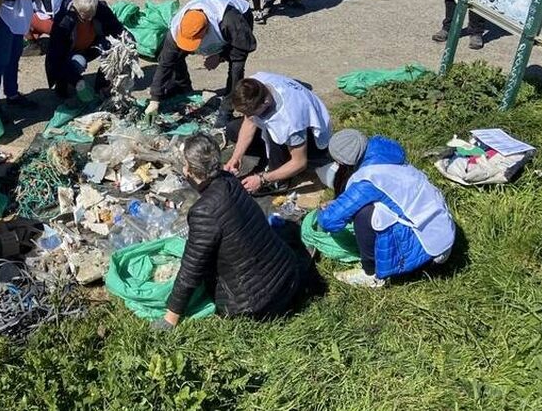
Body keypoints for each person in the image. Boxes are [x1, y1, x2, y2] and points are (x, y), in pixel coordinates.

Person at [158, 133, 304, 329]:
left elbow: (191, 270)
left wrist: (171, 317)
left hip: (256, 304)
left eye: (185, 164)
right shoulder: (229, 180)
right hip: (287, 273)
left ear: (191, 170)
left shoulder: (204, 211)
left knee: (204, 269)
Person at [317, 130, 456, 289]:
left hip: (429, 251)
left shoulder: (368, 179)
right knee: (370, 206)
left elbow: (330, 221)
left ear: (342, 163)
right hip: (443, 236)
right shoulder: (389, 159)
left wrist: (324, 211)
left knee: (364, 213)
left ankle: (371, 274)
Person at [146, 0, 256, 128]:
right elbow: (165, 63)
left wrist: (221, 56)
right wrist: (154, 99)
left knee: (236, 69)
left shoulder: (230, 21)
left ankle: (226, 111)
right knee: (175, 57)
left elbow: (240, 52)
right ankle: (183, 89)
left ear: (206, 29)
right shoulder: (177, 27)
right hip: (208, 8)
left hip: (240, 15)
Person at [223, 73, 333, 194]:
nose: (248, 116)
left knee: (275, 135)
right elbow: (249, 121)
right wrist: (236, 157)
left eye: (251, 112)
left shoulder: (289, 121)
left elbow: (300, 162)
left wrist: (262, 179)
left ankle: (280, 182)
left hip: (313, 141)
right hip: (284, 124)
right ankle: (271, 158)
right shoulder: (256, 83)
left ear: (265, 102)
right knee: (232, 129)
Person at [44, 0, 127, 100]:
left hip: (92, 46)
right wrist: (78, 81)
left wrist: (126, 44)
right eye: (85, 16)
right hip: (70, 52)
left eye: (92, 14)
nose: (90, 18)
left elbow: (118, 30)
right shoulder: (64, 22)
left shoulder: (101, 9)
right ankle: (62, 85)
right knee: (78, 63)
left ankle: (102, 85)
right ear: (75, 9)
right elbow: (55, 57)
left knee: (114, 48)